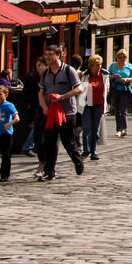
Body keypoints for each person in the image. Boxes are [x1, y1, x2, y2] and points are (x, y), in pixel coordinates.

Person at [38, 44, 84, 181]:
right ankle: (49, 171)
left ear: (58, 55)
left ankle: (77, 161)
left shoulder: (68, 70)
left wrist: (62, 97)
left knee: (68, 140)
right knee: (49, 142)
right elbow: (41, 92)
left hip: (67, 111)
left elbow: (79, 89)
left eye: (50, 55)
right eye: (46, 55)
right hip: (51, 112)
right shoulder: (46, 73)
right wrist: (43, 107)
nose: (47, 57)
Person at [20, 57, 46, 156]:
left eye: (40, 65)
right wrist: (29, 103)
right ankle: (29, 146)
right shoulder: (33, 77)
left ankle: (37, 147)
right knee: (38, 126)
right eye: (37, 65)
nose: (38, 67)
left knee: (41, 127)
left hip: (42, 104)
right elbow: (28, 91)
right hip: (36, 104)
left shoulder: (46, 76)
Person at [80, 55, 105, 160]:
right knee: (87, 127)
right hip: (88, 102)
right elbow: (81, 89)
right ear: (91, 66)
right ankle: (86, 149)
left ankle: (93, 152)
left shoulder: (104, 75)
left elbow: (106, 88)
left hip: (99, 103)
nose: (99, 67)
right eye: (96, 65)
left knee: (96, 129)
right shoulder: (85, 75)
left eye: (100, 65)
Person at [108, 50, 132, 138]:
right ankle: (118, 129)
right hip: (115, 89)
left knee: (123, 111)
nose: (122, 59)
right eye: (120, 57)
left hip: (125, 90)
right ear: (117, 57)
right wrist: (114, 76)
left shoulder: (129, 66)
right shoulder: (113, 65)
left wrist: (126, 79)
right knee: (117, 111)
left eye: (124, 57)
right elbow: (107, 76)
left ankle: (123, 129)